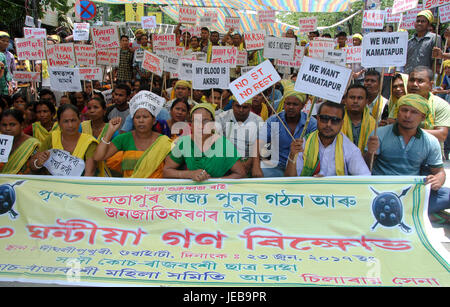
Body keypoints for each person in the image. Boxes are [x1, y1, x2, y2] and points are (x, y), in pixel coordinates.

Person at [365, 94, 450, 221]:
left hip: (411, 192)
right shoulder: (379, 134)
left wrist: (437, 180)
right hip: (380, 190)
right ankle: (419, 214)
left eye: (414, 112)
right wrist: (370, 153)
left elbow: (439, 172)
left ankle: (408, 211)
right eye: (404, 110)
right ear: (398, 113)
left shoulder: (431, 141)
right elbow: (365, 168)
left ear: (423, 117)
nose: (407, 115)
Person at [94, 91, 172, 178]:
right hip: (130, 189)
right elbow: (98, 157)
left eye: (145, 117)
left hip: (154, 189)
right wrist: (109, 132)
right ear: (133, 120)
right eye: (137, 117)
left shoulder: (163, 142)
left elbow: (170, 169)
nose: (141, 120)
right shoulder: (124, 138)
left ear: (154, 121)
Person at [285, 101, 371, 177]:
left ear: (341, 123)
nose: (329, 124)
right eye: (324, 119)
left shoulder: (350, 149)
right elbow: (290, 180)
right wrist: (293, 155)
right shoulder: (303, 144)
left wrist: (327, 183)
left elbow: (364, 177)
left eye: (335, 120)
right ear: (317, 119)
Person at [163, 103, 245, 181]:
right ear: (191, 125)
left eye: (205, 121)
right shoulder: (185, 142)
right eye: (196, 121)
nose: (201, 126)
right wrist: (190, 174)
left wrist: (212, 182)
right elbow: (167, 171)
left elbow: (240, 174)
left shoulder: (224, 145)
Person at [253, 89, 317, 177]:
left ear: (302, 106)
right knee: (261, 168)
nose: (291, 107)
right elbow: (258, 143)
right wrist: (256, 167)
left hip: (301, 167)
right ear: (284, 104)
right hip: (277, 166)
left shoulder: (311, 123)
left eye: (295, 104)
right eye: (288, 103)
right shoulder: (274, 120)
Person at [31, 104, 98, 176]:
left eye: (73, 120)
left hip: (79, 185)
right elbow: (32, 164)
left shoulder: (89, 142)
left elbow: (89, 173)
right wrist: (38, 163)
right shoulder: (52, 138)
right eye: (66, 121)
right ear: (59, 123)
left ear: (79, 120)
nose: (70, 125)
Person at [399, 66, 450, 145]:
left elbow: (441, 135)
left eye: (420, 81)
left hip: (429, 154)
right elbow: (393, 124)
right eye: (412, 80)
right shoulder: (401, 102)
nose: (414, 84)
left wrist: (410, 131)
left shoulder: (441, 105)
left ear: (431, 85)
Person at [216, 100, 263, 175]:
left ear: (250, 107)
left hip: (250, 160)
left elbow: (259, 146)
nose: (241, 110)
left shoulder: (258, 120)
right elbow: (218, 144)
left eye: (245, 107)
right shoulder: (221, 118)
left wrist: (249, 162)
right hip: (226, 160)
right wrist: (234, 164)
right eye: (238, 106)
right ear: (232, 105)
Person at [80, 97, 119, 176]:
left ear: (104, 111)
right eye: (89, 108)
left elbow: (115, 154)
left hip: (106, 171)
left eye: (96, 107)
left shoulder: (111, 128)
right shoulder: (82, 126)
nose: (92, 110)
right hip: (83, 170)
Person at [0, 109, 40, 174]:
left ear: (22, 125)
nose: (8, 128)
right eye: (4, 125)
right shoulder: (1, 142)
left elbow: (34, 170)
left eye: (12, 124)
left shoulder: (33, 145)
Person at [341, 84, 376, 153]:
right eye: (352, 97)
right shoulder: (336, 121)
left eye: (360, 98)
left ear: (366, 101)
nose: (355, 101)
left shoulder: (374, 124)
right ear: (345, 100)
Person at [404, 10, 441, 74]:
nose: (419, 23)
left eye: (423, 21)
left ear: (428, 24)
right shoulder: (409, 41)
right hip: (409, 76)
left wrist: (431, 78)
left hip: (424, 77)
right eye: (418, 21)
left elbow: (436, 61)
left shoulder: (434, 38)